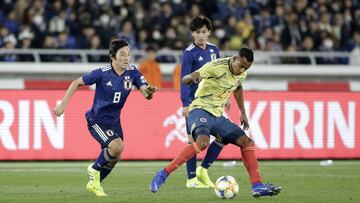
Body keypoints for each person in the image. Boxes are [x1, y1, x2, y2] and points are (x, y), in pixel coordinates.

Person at [150, 47, 282, 198]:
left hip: (218, 115)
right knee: (202, 142)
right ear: (234, 58)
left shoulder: (242, 73)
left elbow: (238, 88)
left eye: (246, 68)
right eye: (241, 66)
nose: (242, 70)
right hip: (200, 109)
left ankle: (257, 185)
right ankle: (163, 173)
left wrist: (243, 112)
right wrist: (190, 78)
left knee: (247, 142)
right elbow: (188, 78)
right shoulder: (215, 66)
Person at [53, 39, 156, 197]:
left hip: (114, 121)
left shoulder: (133, 72)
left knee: (115, 156)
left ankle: (95, 184)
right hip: (97, 120)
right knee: (117, 147)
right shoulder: (102, 72)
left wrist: (149, 91)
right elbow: (76, 83)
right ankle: (93, 169)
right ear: (112, 56)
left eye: (128, 54)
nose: (126, 58)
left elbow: (146, 94)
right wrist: (63, 104)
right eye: (122, 54)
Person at [180, 16, 223, 189]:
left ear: (209, 32)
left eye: (204, 32)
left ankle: (203, 171)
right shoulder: (189, 53)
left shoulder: (214, 50)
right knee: (193, 140)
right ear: (192, 33)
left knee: (222, 136)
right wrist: (185, 103)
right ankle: (191, 179)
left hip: (213, 101)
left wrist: (223, 97)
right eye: (198, 32)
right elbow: (182, 78)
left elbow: (220, 75)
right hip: (195, 102)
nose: (201, 35)